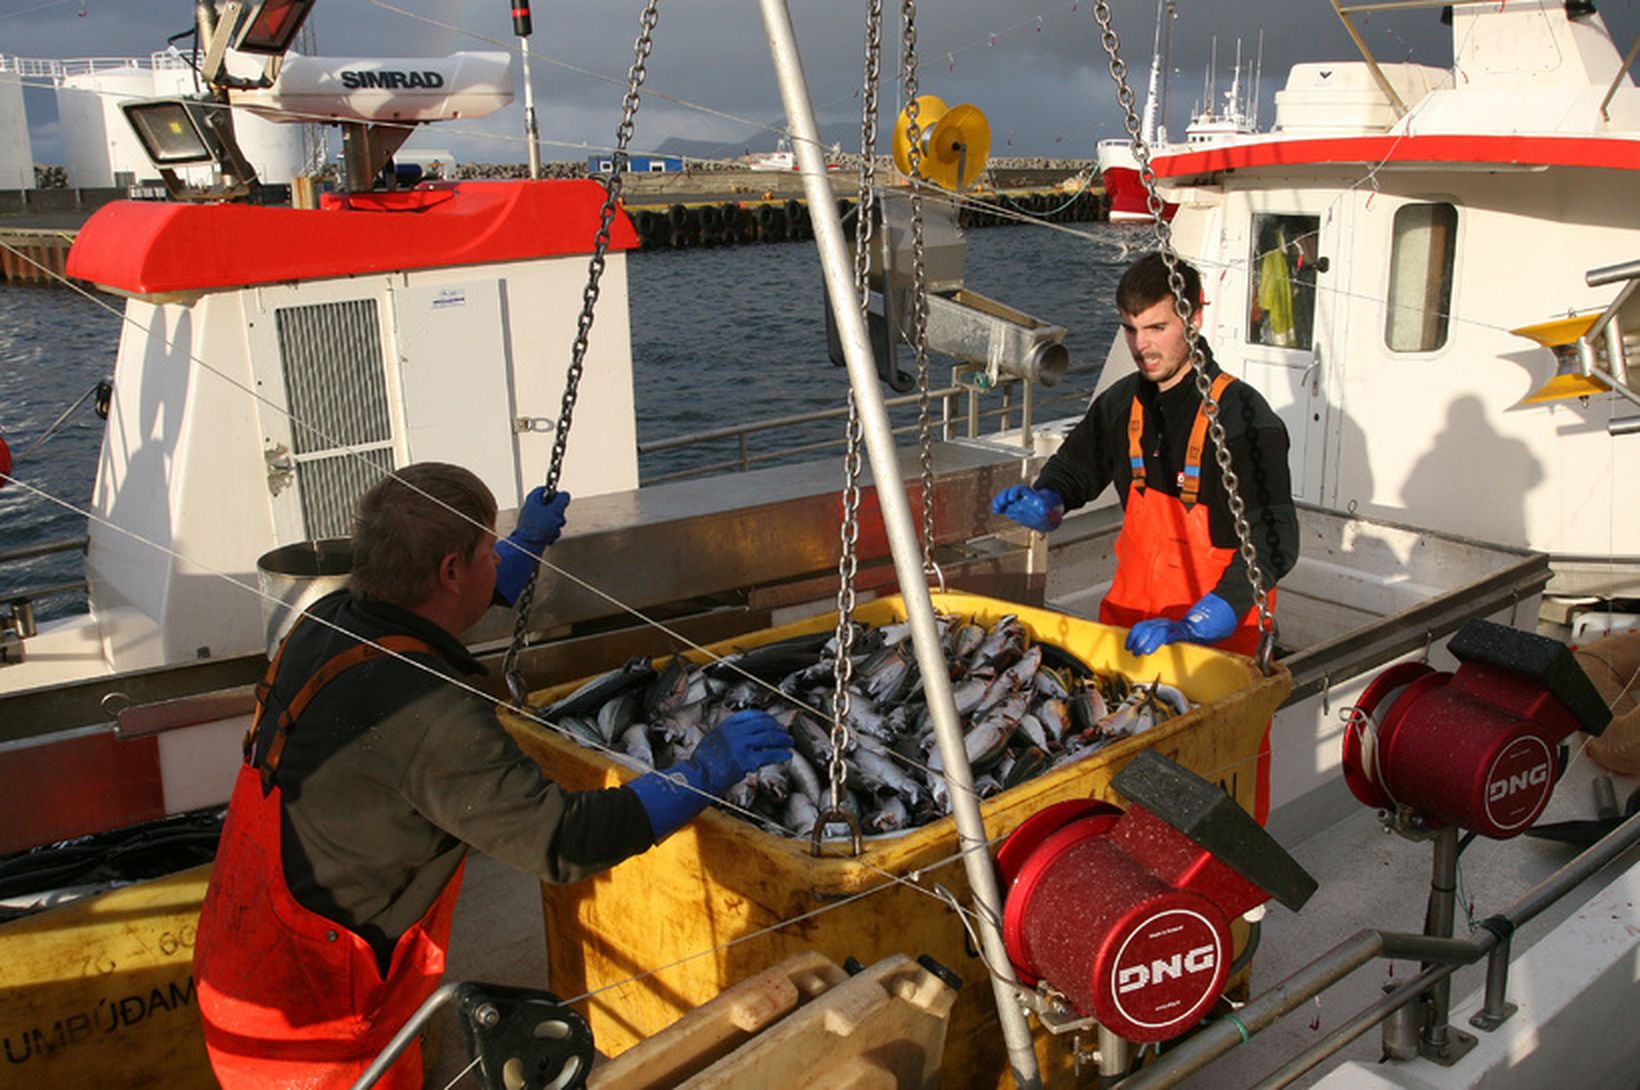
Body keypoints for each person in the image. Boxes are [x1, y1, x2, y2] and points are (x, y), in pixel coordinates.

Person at [194, 463, 791, 1089]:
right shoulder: (427, 711)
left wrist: (525, 545)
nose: (496, 556)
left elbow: (455, 596)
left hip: (243, 950)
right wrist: (701, 773)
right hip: (312, 1025)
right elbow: (565, 842)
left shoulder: (333, 620)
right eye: (489, 546)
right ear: (451, 570)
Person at [992, 252, 1298, 816]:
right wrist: (1048, 500)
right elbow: (1076, 468)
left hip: (1219, 652)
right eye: (1130, 329)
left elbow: (1276, 536)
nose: (1141, 345)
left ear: (1195, 317)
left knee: (1222, 787)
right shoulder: (1120, 403)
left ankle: (1242, 901)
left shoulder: (1243, 417)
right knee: (1127, 787)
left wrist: (1206, 617)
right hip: (1130, 638)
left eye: (1157, 327)